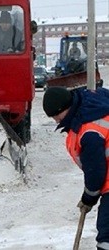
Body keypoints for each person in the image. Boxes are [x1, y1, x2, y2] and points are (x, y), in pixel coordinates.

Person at [42, 86, 109, 250]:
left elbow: (96, 172)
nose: (56, 121)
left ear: (65, 109)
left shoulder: (89, 131)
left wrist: (88, 197)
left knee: (107, 234)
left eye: (56, 116)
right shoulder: (91, 108)